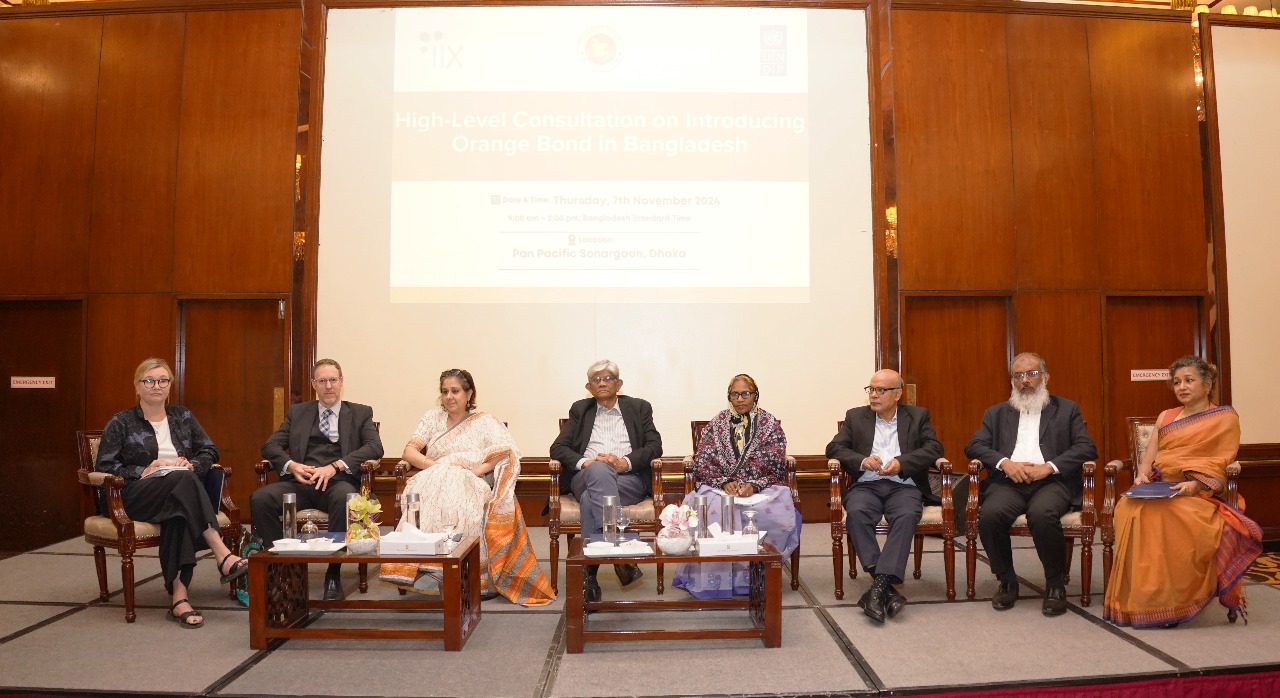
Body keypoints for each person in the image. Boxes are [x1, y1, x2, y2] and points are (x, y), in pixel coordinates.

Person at [1104, 356, 1262, 628]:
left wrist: (1194, 485)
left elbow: (1220, 462)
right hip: (1159, 488)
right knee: (1128, 508)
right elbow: (1149, 457)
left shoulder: (1224, 417)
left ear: (1207, 383)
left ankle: (1169, 603)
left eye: (1189, 381)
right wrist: (1142, 476)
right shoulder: (1166, 416)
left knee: (1163, 515)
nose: (1182, 387)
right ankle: (1139, 601)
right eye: (1177, 382)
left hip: (1197, 493)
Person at [95, 358, 247, 628]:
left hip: (176, 493)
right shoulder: (121, 422)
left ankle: (180, 598)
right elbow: (105, 467)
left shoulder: (182, 416)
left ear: (170, 386)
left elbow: (210, 451)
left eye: (163, 380)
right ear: (137, 385)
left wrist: (191, 464)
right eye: (149, 380)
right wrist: (144, 469)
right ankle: (221, 552)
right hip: (133, 495)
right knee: (182, 484)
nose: (157, 386)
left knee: (178, 508)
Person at [379, 369, 554, 605]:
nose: (450, 396)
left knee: (456, 491)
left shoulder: (485, 421)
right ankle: (425, 567)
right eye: (444, 392)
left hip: (470, 479)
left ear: (469, 394)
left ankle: (462, 572)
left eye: (455, 391)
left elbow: (505, 451)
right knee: (435, 488)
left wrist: (476, 471)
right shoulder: (432, 419)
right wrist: (439, 466)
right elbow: (409, 452)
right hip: (433, 476)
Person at [965, 352, 1097, 616]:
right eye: (1019, 375)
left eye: (1032, 374)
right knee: (990, 515)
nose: (1025, 380)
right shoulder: (997, 413)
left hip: (1051, 482)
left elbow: (1087, 447)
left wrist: (1049, 467)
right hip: (1008, 482)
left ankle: (1055, 584)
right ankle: (1007, 580)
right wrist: (1005, 463)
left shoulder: (1066, 409)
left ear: (1045, 377)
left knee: (1043, 514)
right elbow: (974, 445)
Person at [252, 358, 384, 601]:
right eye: (322, 381)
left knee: (346, 498)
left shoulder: (359, 412)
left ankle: (332, 573)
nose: (328, 386)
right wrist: (292, 466)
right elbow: (270, 446)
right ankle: (282, 570)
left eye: (333, 380)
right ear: (314, 384)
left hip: (338, 481)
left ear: (341, 382)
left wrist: (335, 466)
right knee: (260, 498)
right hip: (301, 482)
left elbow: (375, 447)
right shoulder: (298, 412)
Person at [826, 369, 943, 622]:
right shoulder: (856, 417)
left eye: (881, 390)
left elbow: (934, 448)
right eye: (871, 389)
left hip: (905, 486)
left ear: (898, 394)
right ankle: (884, 587)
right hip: (867, 485)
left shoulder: (918, 416)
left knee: (906, 515)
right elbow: (834, 447)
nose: (874, 395)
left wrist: (903, 462)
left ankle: (878, 587)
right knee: (856, 512)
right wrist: (862, 460)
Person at [672, 374, 800, 599]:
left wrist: (754, 485)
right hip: (720, 485)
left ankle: (757, 577)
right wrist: (725, 482)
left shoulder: (770, 425)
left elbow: (774, 460)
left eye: (745, 394)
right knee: (712, 508)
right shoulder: (717, 422)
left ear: (755, 395)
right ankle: (716, 582)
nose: (740, 399)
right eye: (735, 394)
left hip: (761, 487)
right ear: (728, 396)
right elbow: (703, 459)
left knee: (774, 512)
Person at [550, 359, 663, 603]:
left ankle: (589, 576)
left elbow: (655, 446)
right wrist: (586, 463)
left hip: (628, 479)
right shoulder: (580, 410)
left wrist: (625, 462)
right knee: (599, 471)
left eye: (608, 378)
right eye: (596, 380)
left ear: (619, 384)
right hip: (586, 476)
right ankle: (619, 553)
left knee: (592, 502)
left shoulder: (639, 408)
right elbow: (557, 448)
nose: (602, 383)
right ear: (589, 387)